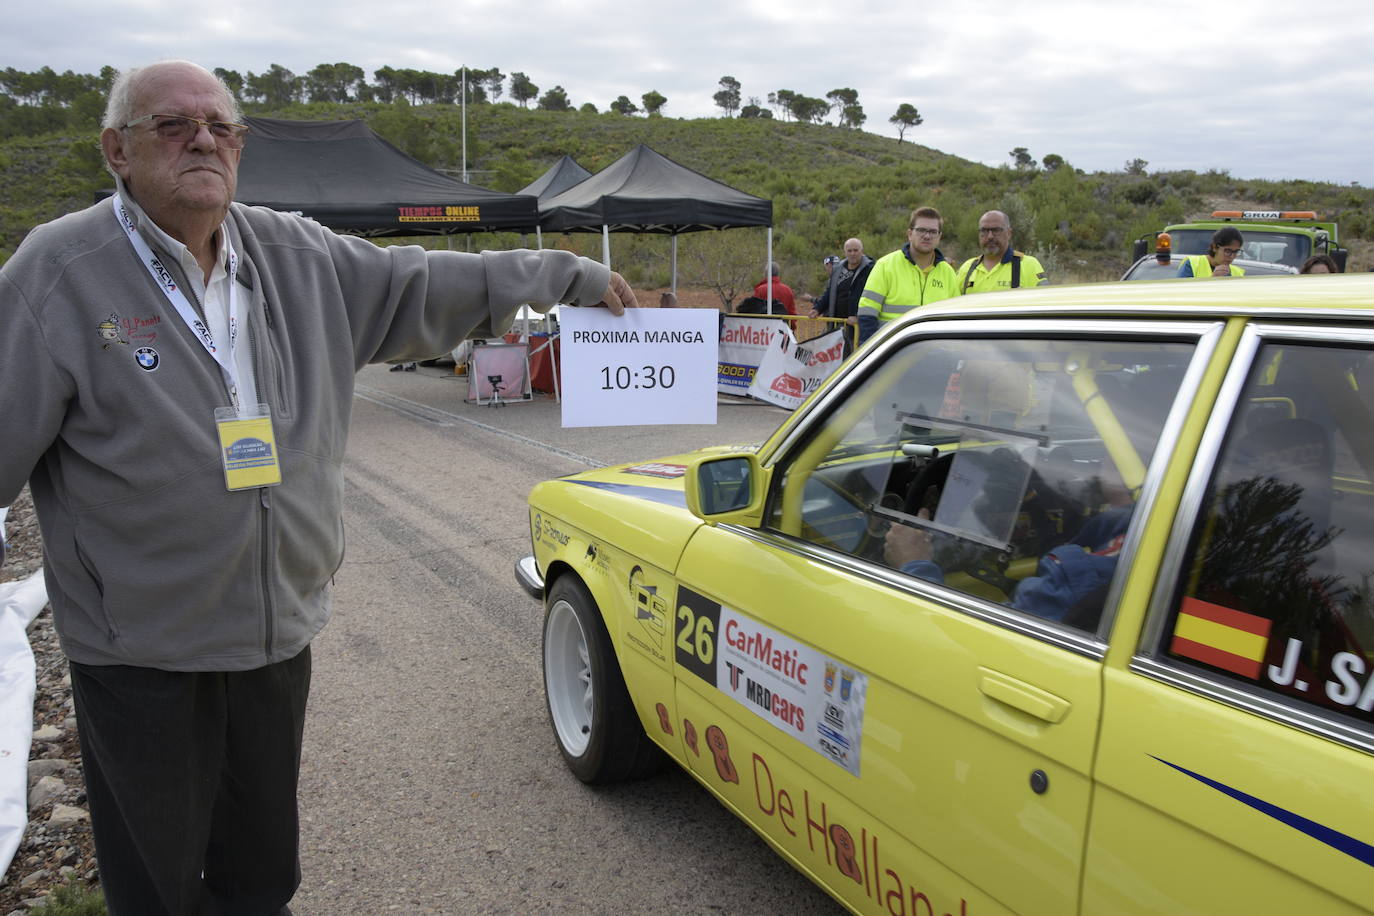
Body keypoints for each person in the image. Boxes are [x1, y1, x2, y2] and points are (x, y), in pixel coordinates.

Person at [0, 60, 637, 916]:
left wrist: (567, 274)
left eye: (222, 128)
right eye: (174, 125)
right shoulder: (60, 272)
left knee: (261, 876)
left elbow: (430, 283)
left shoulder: (295, 254)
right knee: (153, 885)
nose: (204, 141)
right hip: (140, 655)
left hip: (273, 640)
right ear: (117, 149)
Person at [856, 208, 957, 345]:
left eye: (933, 232)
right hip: (892, 353)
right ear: (910, 234)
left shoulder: (948, 272)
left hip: (935, 352)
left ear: (939, 237)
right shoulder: (885, 266)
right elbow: (867, 312)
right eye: (921, 230)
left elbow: (954, 319)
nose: (927, 236)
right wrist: (869, 351)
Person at [955, 210, 1048, 294]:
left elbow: (1046, 303)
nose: (990, 236)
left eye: (996, 230)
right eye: (984, 231)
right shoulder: (967, 268)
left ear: (1009, 233)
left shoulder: (1029, 265)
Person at [807, 238, 874, 352]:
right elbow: (830, 292)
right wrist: (818, 308)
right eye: (849, 251)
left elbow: (873, 296)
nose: (852, 254)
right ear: (844, 252)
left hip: (857, 326)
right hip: (836, 324)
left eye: (855, 250)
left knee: (853, 358)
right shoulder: (838, 268)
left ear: (862, 251)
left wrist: (860, 316)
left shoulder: (871, 269)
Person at [1177, 227, 1245, 279]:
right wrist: (1212, 279)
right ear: (1214, 247)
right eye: (1227, 251)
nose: (1232, 256)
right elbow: (1181, 293)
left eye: (1236, 252)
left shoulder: (1237, 273)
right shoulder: (1192, 264)